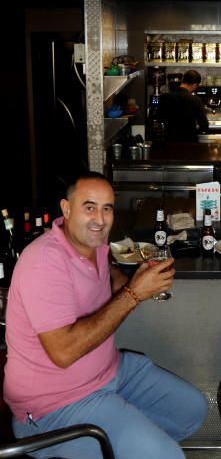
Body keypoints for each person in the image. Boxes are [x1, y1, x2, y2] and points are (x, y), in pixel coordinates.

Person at [4, 172, 208, 459]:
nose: (100, 219)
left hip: (109, 372)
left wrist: (134, 281)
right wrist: (133, 294)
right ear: (66, 209)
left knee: (191, 409)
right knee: (168, 456)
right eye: (89, 207)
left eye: (107, 208)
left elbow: (107, 276)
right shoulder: (43, 262)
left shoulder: (95, 244)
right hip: (54, 406)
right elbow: (63, 351)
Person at [156, 69, 209, 142]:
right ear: (194, 85)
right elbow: (204, 125)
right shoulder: (196, 100)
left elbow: (159, 118)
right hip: (189, 143)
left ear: (183, 80)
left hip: (170, 141)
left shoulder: (164, 97)